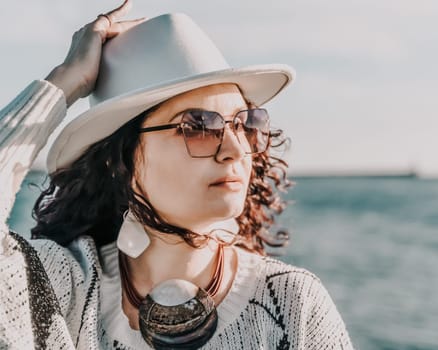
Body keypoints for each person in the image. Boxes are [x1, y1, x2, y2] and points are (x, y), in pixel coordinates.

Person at [0, 1, 353, 349]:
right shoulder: (61, 287)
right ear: (120, 161)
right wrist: (65, 81)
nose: (234, 148)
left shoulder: (291, 303)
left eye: (244, 123)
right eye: (198, 125)